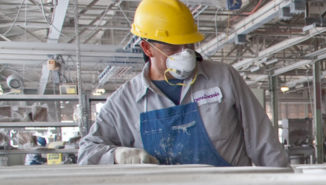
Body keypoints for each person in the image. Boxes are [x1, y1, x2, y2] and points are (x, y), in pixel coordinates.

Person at [78, 0, 287, 167]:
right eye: (173, 47)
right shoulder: (124, 102)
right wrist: (117, 154)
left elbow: (263, 140)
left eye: (189, 44)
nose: (184, 53)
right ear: (147, 48)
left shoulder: (224, 78)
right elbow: (87, 152)